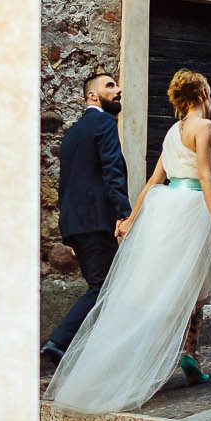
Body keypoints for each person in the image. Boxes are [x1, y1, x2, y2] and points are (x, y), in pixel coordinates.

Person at [44, 69, 211, 415]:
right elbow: (205, 176)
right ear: (202, 92)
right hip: (192, 211)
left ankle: (190, 355)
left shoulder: (173, 132)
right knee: (189, 292)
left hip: (165, 210)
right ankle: (180, 354)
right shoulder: (204, 128)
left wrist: (132, 218)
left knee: (165, 288)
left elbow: (153, 181)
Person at [41, 72, 131, 368]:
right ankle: (57, 344)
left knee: (106, 288)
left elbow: (66, 183)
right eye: (110, 86)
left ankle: (99, 356)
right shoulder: (103, 123)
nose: (118, 90)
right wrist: (124, 213)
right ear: (92, 95)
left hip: (78, 225)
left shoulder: (74, 132)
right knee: (104, 288)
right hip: (96, 222)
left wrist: (69, 234)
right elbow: (112, 170)